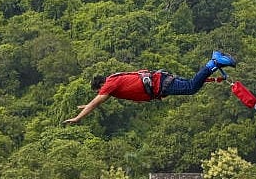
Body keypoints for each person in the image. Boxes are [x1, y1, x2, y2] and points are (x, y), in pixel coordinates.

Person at [64, 51, 237, 124]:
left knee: (191, 87)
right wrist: (87, 106)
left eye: (99, 92)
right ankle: (214, 64)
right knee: (192, 86)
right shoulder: (114, 81)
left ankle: (213, 62)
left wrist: (78, 118)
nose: (101, 94)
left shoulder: (110, 84)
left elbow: (96, 102)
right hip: (161, 81)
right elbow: (96, 102)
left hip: (161, 84)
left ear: (101, 85)